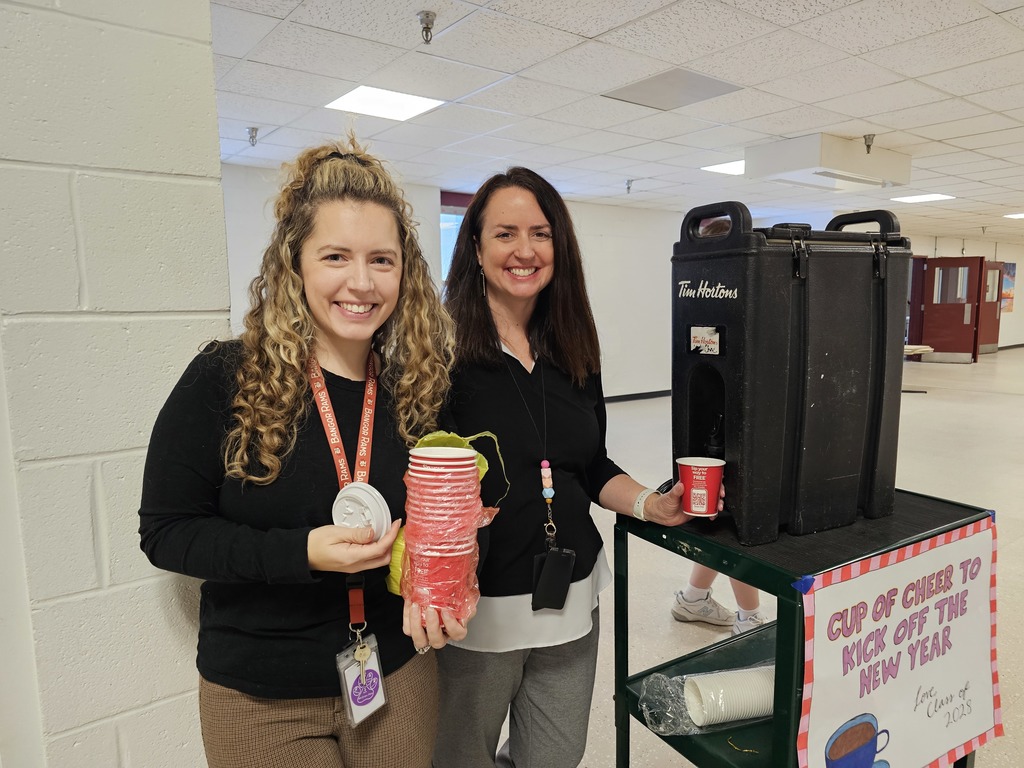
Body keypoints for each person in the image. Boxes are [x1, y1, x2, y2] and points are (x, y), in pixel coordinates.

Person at [138, 137, 463, 768]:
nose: (361, 282)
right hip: (261, 695)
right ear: (295, 264)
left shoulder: (417, 390)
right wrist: (301, 552)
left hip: (396, 675)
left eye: (382, 260)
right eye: (336, 256)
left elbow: (447, 522)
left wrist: (443, 583)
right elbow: (167, 532)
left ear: (406, 272)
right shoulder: (224, 377)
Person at [434, 167, 723, 768]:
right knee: (460, 757)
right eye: (505, 233)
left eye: (540, 233)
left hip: (569, 598)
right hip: (477, 612)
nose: (525, 250)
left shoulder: (572, 346)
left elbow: (590, 464)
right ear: (476, 249)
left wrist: (650, 504)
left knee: (555, 756)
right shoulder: (440, 354)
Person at [670, 215, 766, 636]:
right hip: (726, 430)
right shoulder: (739, 298)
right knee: (732, 525)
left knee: (717, 519)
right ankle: (750, 619)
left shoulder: (698, 298)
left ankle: (693, 599)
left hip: (712, 428)